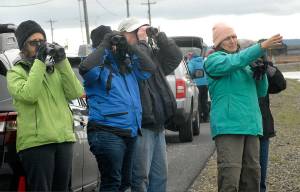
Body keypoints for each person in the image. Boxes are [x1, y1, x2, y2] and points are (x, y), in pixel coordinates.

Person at [203, 22, 283, 192]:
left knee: (252, 178)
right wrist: (261, 47)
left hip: (251, 126)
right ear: (217, 43)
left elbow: (261, 92)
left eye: (234, 37)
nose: (232, 41)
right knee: (230, 178)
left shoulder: (245, 63)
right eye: (227, 38)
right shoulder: (213, 60)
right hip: (229, 127)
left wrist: (261, 74)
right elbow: (234, 62)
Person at [6, 20, 84, 191]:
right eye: (34, 43)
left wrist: (62, 61)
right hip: (37, 144)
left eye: (42, 42)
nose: (39, 46)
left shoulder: (54, 69)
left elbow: (75, 93)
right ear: (23, 46)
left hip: (63, 139)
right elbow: (29, 95)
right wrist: (40, 61)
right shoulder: (15, 72)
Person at [79, 27, 156, 191]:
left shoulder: (125, 64)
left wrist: (129, 46)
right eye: (113, 41)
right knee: (112, 182)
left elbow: (149, 68)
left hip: (130, 131)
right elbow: (85, 69)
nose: (116, 44)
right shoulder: (97, 64)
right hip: (106, 131)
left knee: (124, 183)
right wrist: (105, 45)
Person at [118, 17, 182, 192]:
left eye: (141, 31)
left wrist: (159, 36)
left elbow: (176, 56)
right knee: (140, 178)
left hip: (157, 124)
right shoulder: (123, 57)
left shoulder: (151, 54)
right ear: (122, 35)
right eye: (134, 32)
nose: (140, 35)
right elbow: (140, 61)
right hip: (141, 126)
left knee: (160, 177)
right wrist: (143, 43)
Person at [239, 39, 287, 192]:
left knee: (259, 178)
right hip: (241, 130)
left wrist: (266, 66)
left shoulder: (263, 67)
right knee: (241, 176)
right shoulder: (236, 69)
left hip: (262, 129)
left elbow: (280, 85)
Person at [186, 52, 209, 122]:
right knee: (204, 101)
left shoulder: (192, 62)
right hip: (205, 84)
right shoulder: (203, 61)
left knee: (197, 101)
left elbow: (189, 72)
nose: (188, 56)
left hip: (197, 84)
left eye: (189, 55)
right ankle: (206, 117)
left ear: (191, 56)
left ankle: (199, 118)